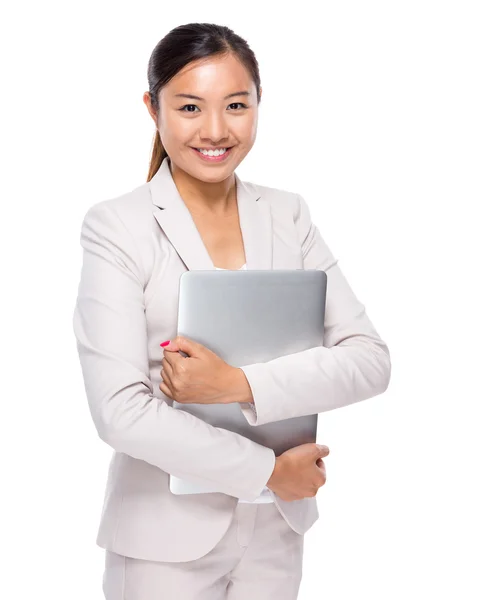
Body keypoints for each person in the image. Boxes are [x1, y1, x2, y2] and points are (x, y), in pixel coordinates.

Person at [73, 22, 391, 600]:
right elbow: (119, 411)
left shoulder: (288, 215)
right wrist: (268, 472)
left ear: (258, 105)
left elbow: (369, 361)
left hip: (275, 533)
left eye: (236, 105)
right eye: (190, 106)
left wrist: (238, 384)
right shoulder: (117, 226)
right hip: (162, 542)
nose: (216, 130)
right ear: (153, 107)